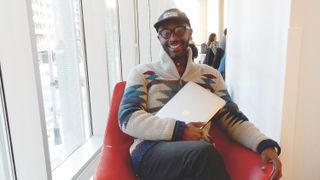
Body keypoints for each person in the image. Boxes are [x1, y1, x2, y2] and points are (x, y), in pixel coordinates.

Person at [118, 8, 282, 180]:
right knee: (203, 154)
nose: (173, 37)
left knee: (200, 156)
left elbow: (233, 118)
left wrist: (263, 144)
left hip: (196, 155)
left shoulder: (210, 76)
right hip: (151, 151)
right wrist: (179, 130)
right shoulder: (142, 73)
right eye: (165, 33)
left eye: (179, 30)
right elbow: (128, 117)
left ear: (189, 33)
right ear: (159, 38)